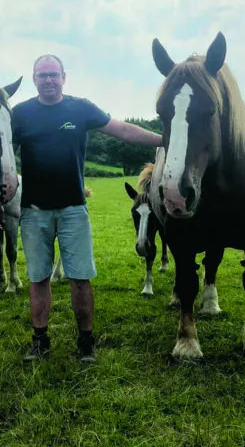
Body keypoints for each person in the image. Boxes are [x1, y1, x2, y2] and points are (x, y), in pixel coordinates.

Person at [11, 53, 163, 364]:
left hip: (73, 210)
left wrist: (164, 139)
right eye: (42, 75)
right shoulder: (20, 114)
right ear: (34, 79)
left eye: (54, 75)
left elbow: (121, 129)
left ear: (64, 77)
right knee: (38, 278)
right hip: (34, 211)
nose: (49, 80)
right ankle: (40, 342)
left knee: (80, 278)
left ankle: (86, 343)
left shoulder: (80, 108)